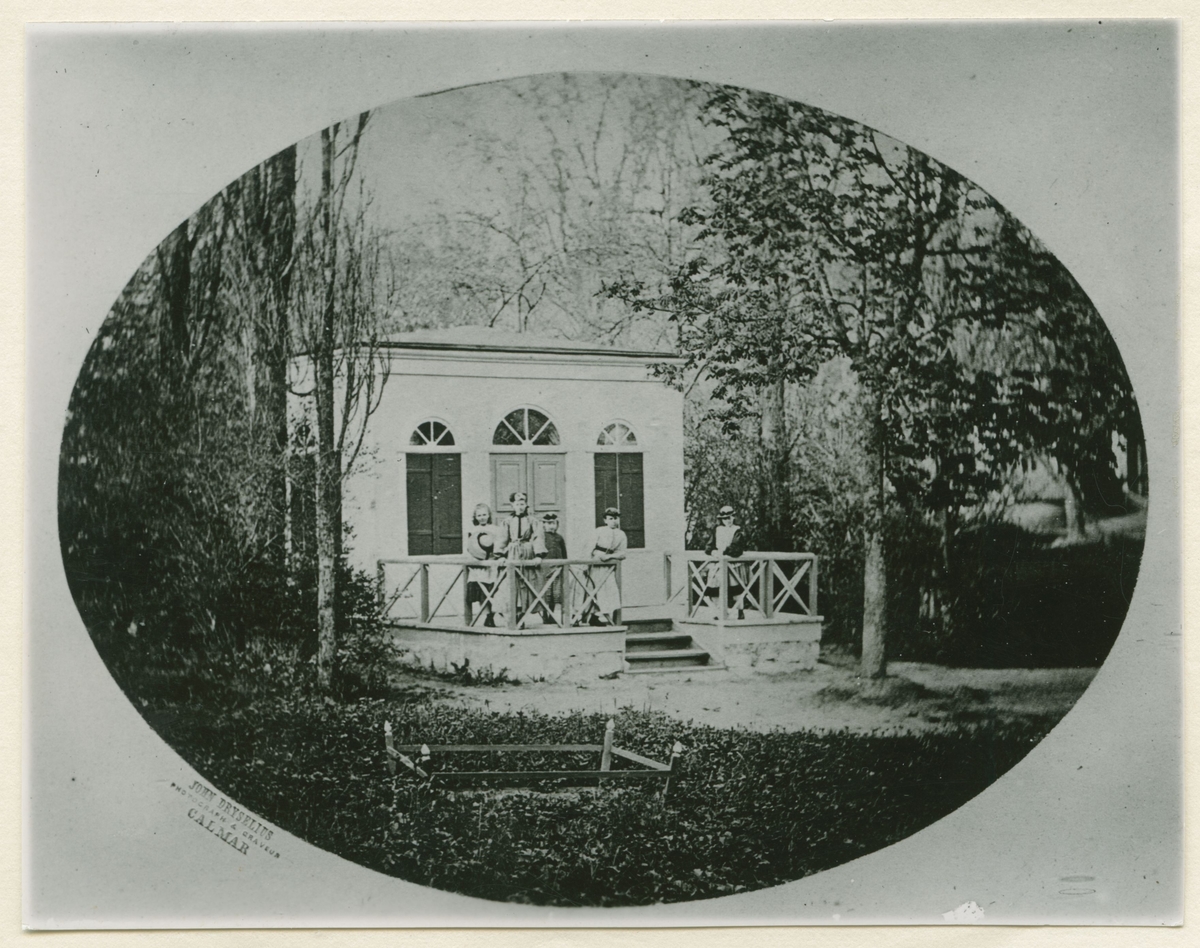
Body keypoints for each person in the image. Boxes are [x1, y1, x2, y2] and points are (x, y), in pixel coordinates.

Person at [496, 491, 547, 627]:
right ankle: (512, 615)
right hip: (512, 553)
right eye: (517, 504)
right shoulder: (507, 522)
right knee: (511, 585)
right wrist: (501, 555)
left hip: (527, 553)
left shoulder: (533, 521)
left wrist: (538, 555)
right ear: (512, 505)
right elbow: (502, 539)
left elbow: (538, 537)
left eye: (522, 503)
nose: (520, 506)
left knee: (527, 584)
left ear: (526, 505)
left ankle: (522, 616)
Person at [583, 507, 627, 626]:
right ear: (605, 520)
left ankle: (596, 617)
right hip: (594, 564)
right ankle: (578, 617)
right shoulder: (599, 531)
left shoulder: (621, 534)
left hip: (608, 567)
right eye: (610, 518)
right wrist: (586, 564)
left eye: (616, 518)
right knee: (588, 589)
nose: (614, 521)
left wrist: (609, 557)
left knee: (607, 591)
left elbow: (623, 553)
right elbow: (589, 548)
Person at [704, 503, 749, 619]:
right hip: (718, 564)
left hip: (733, 564)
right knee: (715, 588)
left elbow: (736, 549)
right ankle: (718, 612)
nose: (728, 520)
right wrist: (713, 552)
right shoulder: (717, 530)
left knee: (736, 589)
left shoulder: (737, 530)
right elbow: (709, 546)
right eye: (725, 518)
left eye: (729, 518)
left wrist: (724, 551)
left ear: (733, 517)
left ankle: (740, 611)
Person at [465, 503, 500, 627]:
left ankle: (492, 615)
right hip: (478, 565)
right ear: (475, 517)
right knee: (482, 592)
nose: (482, 518)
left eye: (484, 514)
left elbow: (500, 545)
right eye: (479, 515)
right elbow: (469, 547)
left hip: (492, 564)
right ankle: (487, 616)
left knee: (494, 591)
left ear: (489, 515)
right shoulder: (473, 530)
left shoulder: (495, 529)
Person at [538, 512, 568, 625]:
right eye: (548, 523)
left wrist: (565, 564)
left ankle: (551, 614)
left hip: (557, 569)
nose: (551, 526)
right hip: (544, 569)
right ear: (543, 524)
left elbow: (564, 553)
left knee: (555, 593)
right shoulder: (541, 537)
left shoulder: (559, 538)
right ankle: (545, 615)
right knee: (546, 593)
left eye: (553, 523)